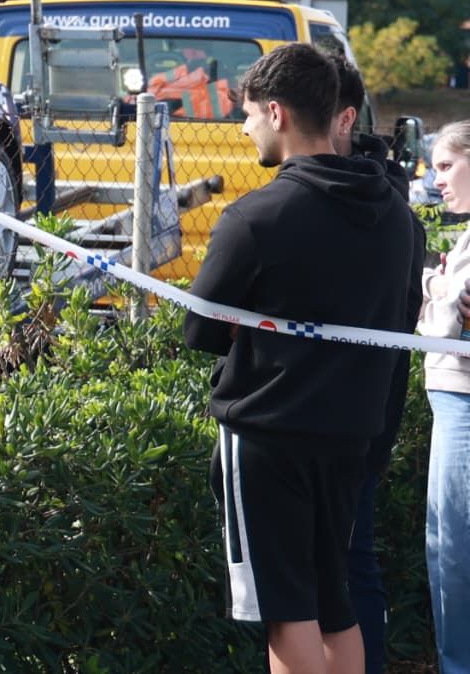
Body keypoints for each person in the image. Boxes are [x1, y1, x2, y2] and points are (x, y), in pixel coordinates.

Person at [183, 43, 419, 674]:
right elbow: (401, 325)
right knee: (335, 602)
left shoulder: (256, 216)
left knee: (289, 611)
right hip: (351, 437)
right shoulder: (398, 215)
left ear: (278, 112)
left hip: (268, 440)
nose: (242, 127)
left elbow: (200, 330)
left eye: (248, 112)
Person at [328, 53, 422, 674]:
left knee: (323, 578)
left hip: (322, 421)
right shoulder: (393, 200)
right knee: (353, 560)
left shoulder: (345, 200)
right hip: (373, 411)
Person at [422, 121, 470, 674]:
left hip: (462, 402)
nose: (436, 180)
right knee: (445, 545)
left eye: (445, 165)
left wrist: (434, 289)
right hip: (451, 400)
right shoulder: (463, 235)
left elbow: (445, 324)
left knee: (454, 551)